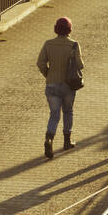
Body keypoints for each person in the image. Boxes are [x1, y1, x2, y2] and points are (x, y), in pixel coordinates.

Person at [36, 16, 84, 160]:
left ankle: (49, 138)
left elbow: (40, 63)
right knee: (68, 111)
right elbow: (80, 65)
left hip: (51, 85)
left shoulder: (48, 44)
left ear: (56, 29)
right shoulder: (74, 45)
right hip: (68, 86)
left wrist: (48, 74)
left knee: (54, 114)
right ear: (70, 29)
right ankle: (67, 141)